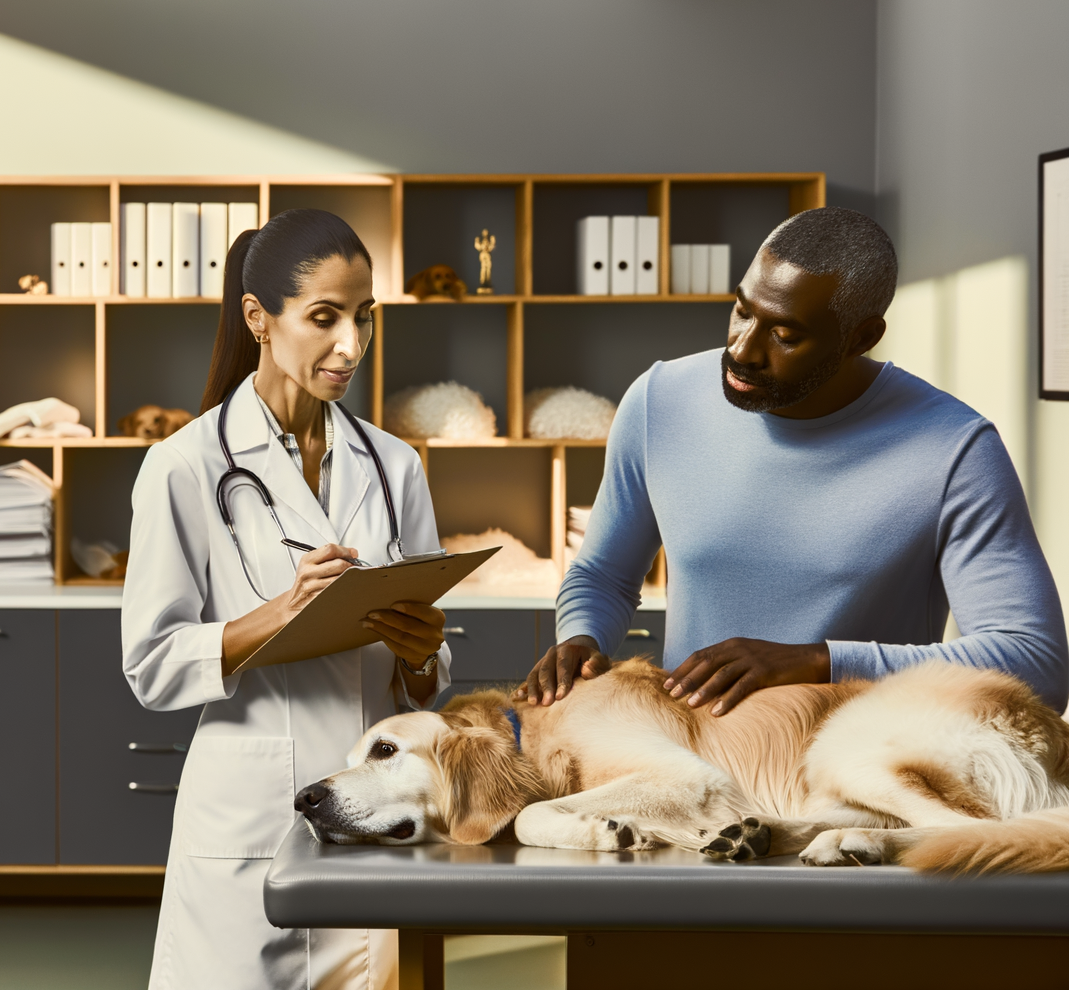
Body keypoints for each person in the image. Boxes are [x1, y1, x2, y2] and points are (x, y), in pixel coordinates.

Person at [525, 206, 1068, 715]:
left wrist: (818, 662)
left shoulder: (956, 450)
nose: (743, 349)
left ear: (862, 338)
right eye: (742, 311)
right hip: (689, 760)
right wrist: (581, 638)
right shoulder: (659, 401)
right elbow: (603, 573)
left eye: (784, 334)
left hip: (858, 767)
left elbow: (1038, 663)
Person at [123, 208, 450, 990]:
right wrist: (281, 614)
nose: (352, 345)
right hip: (250, 814)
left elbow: (429, 674)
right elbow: (152, 666)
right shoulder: (185, 466)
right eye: (325, 318)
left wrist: (421, 655)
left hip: (376, 806)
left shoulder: (395, 465)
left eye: (364, 317)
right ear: (258, 318)